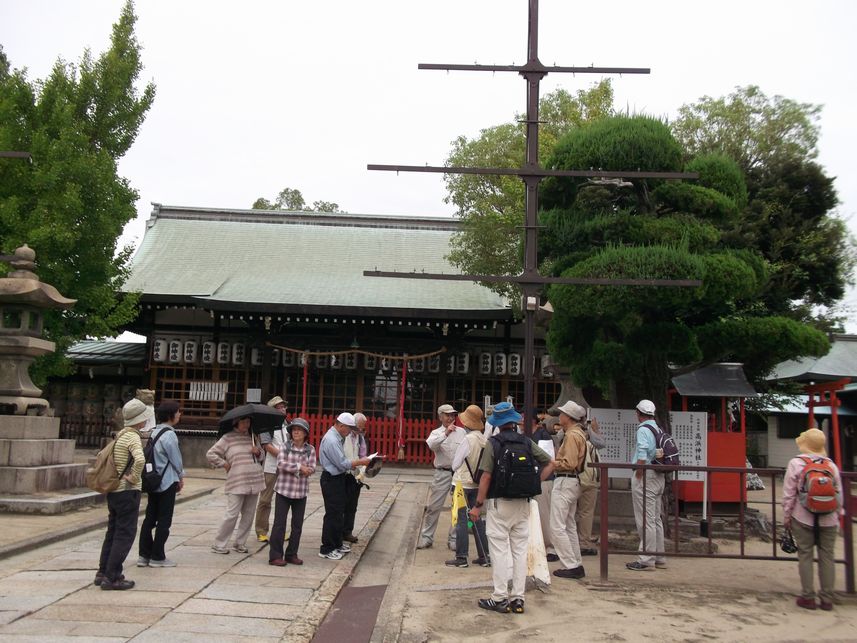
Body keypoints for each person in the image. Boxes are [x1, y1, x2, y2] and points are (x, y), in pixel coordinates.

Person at [469, 401, 554, 614]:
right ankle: (518, 598)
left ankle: (499, 597)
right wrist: (534, 484)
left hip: (500, 504)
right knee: (519, 552)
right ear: (514, 421)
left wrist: (477, 505)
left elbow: (486, 476)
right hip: (523, 504)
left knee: (499, 552)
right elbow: (551, 463)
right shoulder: (526, 441)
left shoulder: (494, 443)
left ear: (498, 423)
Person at [782, 428, 843, 610]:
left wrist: (787, 517)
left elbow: (789, 494)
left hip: (802, 517)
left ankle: (808, 597)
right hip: (829, 519)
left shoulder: (796, 463)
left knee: (805, 555)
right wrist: (837, 515)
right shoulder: (831, 466)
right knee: (827, 557)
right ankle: (827, 599)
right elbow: (839, 496)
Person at [95, 398, 150, 591]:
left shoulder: (120, 435)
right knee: (125, 534)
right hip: (127, 491)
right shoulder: (133, 437)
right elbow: (140, 459)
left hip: (114, 491)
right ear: (140, 419)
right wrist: (134, 477)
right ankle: (112, 576)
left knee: (112, 532)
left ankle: (102, 572)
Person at [137, 400, 185, 568]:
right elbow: (176, 460)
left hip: (153, 479)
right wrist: (181, 476)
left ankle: (144, 554)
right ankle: (158, 556)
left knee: (150, 518)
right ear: (171, 415)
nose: (179, 414)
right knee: (164, 519)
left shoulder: (154, 432)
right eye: (178, 412)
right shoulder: (170, 435)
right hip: (167, 481)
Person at [318, 412, 373, 560]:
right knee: (332, 514)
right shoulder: (331, 440)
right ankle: (327, 548)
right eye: (349, 429)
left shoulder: (337, 437)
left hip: (338, 478)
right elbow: (342, 463)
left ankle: (337, 543)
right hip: (331, 479)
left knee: (339, 513)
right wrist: (361, 462)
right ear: (341, 426)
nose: (350, 432)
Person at [206, 416, 264, 554]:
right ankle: (219, 544)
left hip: (254, 480)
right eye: (243, 422)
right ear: (236, 423)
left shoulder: (253, 437)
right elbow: (211, 454)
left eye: (248, 422)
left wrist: (258, 452)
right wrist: (224, 464)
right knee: (232, 514)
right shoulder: (228, 438)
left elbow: (262, 456)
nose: (246, 424)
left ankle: (240, 543)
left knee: (249, 515)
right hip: (237, 481)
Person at [269, 418, 317, 566]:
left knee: (297, 525)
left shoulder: (310, 449)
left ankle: (291, 554)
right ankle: (275, 556)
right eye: (294, 430)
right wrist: (299, 467)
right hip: (283, 490)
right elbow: (281, 464)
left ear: (305, 433)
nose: (296, 432)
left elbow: (312, 467)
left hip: (301, 492)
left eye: (299, 430)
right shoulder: (285, 446)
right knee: (279, 524)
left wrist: (306, 470)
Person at [626, 399, 667, 572]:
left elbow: (642, 453)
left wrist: (638, 474)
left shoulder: (643, 429)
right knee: (655, 519)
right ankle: (658, 556)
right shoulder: (658, 428)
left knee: (645, 519)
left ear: (638, 413)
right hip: (658, 476)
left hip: (646, 476)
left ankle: (646, 559)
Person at [549, 401, 589, 579]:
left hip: (565, 480)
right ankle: (576, 562)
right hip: (573, 482)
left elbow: (569, 463)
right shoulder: (579, 433)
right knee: (569, 525)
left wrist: (553, 463)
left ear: (569, 417)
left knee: (557, 526)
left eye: (562, 413)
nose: (560, 416)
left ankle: (570, 564)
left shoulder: (572, 435)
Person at [418, 403, 466, 549]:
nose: (450, 418)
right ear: (440, 417)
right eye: (447, 415)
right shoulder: (436, 433)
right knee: (434, 506)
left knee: (457, 507)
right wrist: (446, 433)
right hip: (442, 473)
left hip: (458, 473)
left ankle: (453, 539)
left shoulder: (462, 432)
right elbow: (432, 445)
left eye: (452, 415)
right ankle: (427, 537)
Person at [447, 404, 490, 568]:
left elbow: (455, 464)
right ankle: (484, 555)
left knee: (461, 521)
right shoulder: (484, 440)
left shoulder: (468, 439)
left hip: (461, 484)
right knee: (476, 519)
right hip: (476, 484)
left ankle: (462, 556)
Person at [255, 396, 289, 542]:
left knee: (284, 501)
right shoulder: (266, 425)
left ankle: (280, 530)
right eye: (278, 407)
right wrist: (284, 456)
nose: (282, 409)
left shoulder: (287, 424)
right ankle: (261, 530)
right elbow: (267, 446)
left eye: (283, 406)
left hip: (286, 467)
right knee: (265, 500)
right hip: (271, 467)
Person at [575, 413, 606, 556]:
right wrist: (594, 429)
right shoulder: (586, 434)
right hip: (588, 479)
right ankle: (583, 543)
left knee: (571, 512)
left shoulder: (567, 433)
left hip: (575, 478)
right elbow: (601, 443)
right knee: (586, 513)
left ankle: (573, 542)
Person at [532, 415, 560, 562]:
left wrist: (541, 478)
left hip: (544, 480)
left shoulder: (543, 435)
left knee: (545, 514)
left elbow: (550, 460)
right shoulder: (522, 434)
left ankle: (551, 547)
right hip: (531, 480)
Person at [342, 412, 369, 543]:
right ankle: (339, 532)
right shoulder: (343, 436)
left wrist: (363, 467)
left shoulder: (360, 438)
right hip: (343, 474)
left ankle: (348, 531)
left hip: (355, 475)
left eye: (363, 428)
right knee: (342, 505)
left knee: (352, 505)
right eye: (360, 427)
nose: (361, 430)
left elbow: (363, 455)